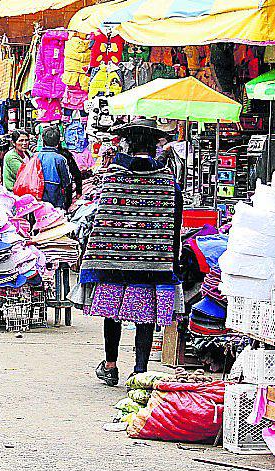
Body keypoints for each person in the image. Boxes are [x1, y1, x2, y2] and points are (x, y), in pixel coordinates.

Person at [81, 119, 183, 386]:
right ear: (155, 145)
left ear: (127, 144)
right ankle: (139, 371)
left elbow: (102, 219)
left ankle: (111, 365)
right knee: (145, 317)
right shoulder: (167, 181)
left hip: (112, 261)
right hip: (153, 264)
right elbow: (175, 222)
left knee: (112, 313)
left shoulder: (114, 178)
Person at [37, 127, 82, 210]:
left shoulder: (36, 156)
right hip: (56, 194)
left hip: (38, 193)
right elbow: (67, 180)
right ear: (58, 142)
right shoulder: (61, 158)